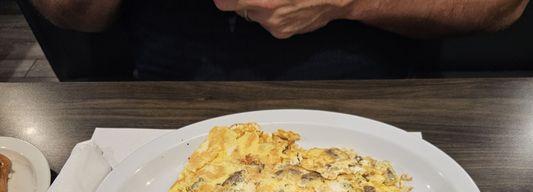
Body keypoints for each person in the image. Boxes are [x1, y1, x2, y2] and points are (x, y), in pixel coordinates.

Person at [32, 0, 529, 80]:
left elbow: (501, 8)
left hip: (377, 97)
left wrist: (345, 3)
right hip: (168, 105)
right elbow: (70, 14)